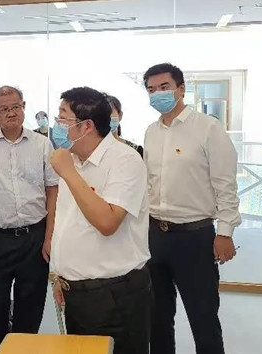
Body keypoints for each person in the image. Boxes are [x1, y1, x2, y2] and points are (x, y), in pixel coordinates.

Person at [143, 63, 241, 354]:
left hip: (195, 238)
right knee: (158, 319)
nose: (157, 94)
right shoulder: (151, 132)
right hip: (155, 235)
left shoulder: (208, 128)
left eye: (164, 87)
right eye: (151, 89)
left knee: (203, 317)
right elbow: (148, 184)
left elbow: (226, 185)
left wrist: (225, 232)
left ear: (181, 89)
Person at [49, 86, 151, 354]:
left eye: (63, 118)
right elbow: (68, 222)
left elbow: (107, 223)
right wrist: (60, 274)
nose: (57, 126)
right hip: (76, 291)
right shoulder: (74, 160)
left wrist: (69, 174)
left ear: (86, 126)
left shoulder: (124, 160)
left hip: (114, 293)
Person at [0, 86, 59, 354]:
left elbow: (53, 190)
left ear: (24, 107)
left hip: (34, 238)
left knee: (30, 309)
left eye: (15, 107)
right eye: (4, 109)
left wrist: (49, 237)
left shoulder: (42, 144)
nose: (11, 113)